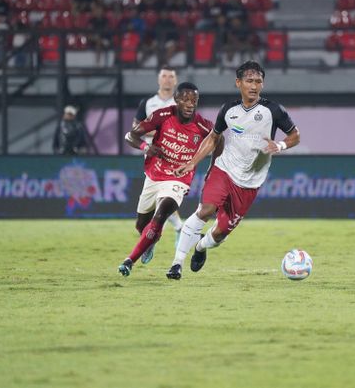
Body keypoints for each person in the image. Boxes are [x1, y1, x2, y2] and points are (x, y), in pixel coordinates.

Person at [166, 60, 300, 280]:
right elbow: (213, 138)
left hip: (249, 184)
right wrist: (192, 162)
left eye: (258, 81)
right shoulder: (229, 111)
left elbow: (295, 135)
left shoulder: (273, 110)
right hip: (224, 170)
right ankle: (176, 263)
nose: (254, 85)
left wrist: (281, 145)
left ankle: (200, 247)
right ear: (238, 83)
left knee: (219, 233)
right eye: (249, 80)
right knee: (206, 210)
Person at [118, 82, 218, 277]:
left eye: (194, 101)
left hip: (178, 179)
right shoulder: (162, 116)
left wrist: (213, 166)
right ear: (176, 100)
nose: (190, 104)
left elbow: (219, 140)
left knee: (162, 213)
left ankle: (129, 260)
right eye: (185, 100)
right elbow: (131, 136)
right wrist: (146, 148)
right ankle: (151, 240)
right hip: (154, 175)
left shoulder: (203, 126)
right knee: (141, 225)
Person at [131, 66, 187, 261]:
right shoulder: (148, 103)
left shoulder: (180, 103)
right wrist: (158, 134)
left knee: (165, 197)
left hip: (175, 157)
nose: (167, 79)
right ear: (158, 80)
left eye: (171, 76)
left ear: (176, 80)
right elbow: (134, 129)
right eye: (164, 76)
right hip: (153, 156)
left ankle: (163, 234)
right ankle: (173, 229)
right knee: (154, 204)